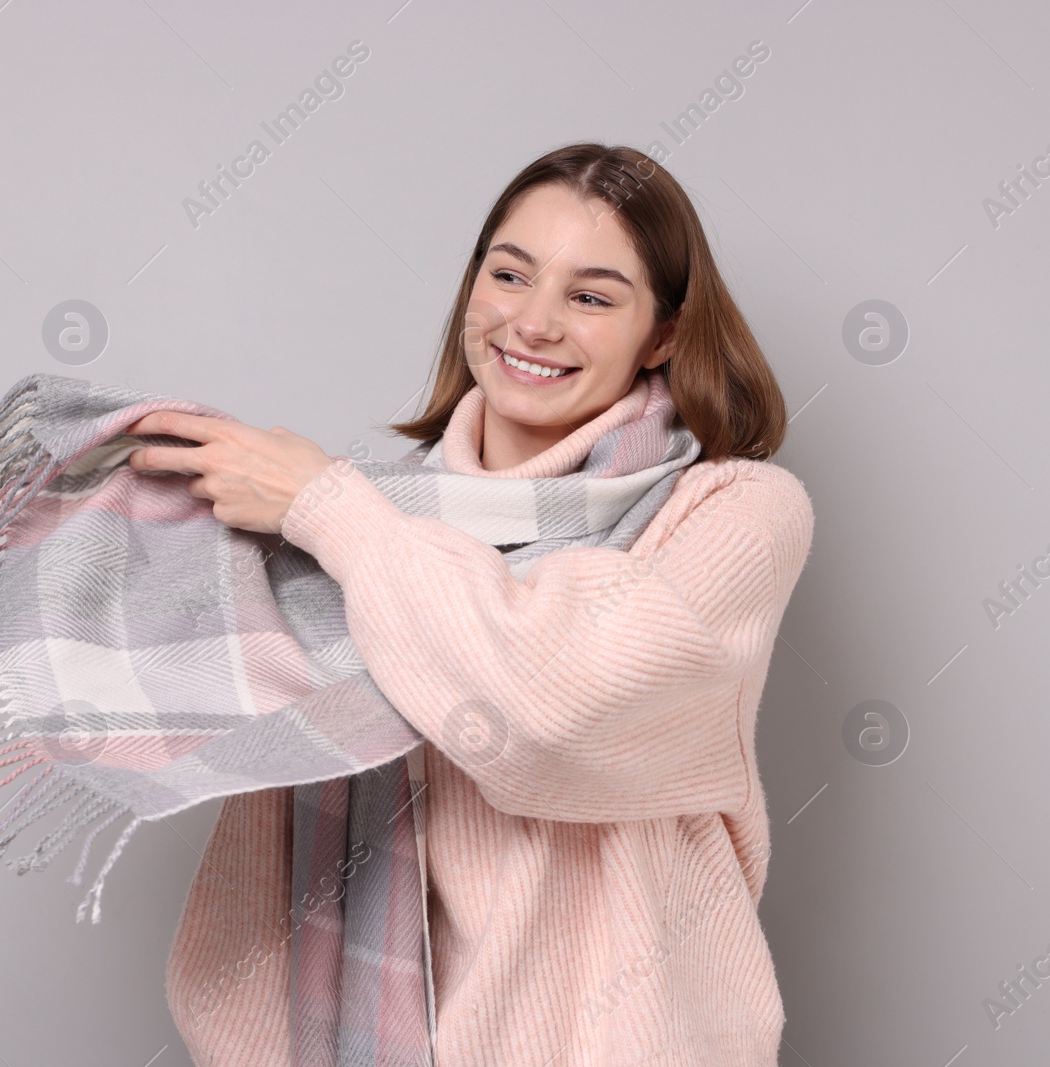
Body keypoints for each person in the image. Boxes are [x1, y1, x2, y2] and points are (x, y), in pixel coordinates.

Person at [124, 143, 814, 1066]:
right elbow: (255, 840)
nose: (533, 323)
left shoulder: (734, 513)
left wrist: (326, 507)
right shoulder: (370, 523)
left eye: (592, 296)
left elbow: (550, 713)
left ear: (663, 335)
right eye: (510, 275)